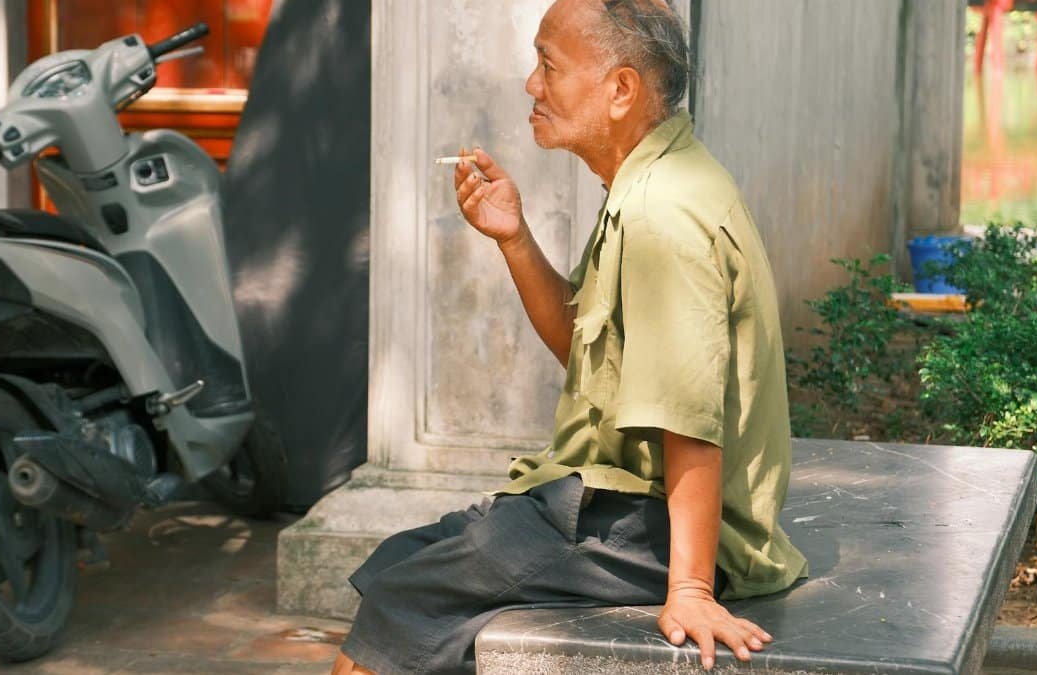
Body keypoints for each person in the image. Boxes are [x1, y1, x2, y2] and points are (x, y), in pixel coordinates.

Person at [333, 0, 808, 672]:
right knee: (398, 565)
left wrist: (691, 589)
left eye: (549, 66)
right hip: (614, 499)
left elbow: (690, 422)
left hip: (645, 525)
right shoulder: (645, 179)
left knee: (398, 606)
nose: (532, 84)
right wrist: (515, 239)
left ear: (620, 90)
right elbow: (591, 355)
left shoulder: (661, 214)